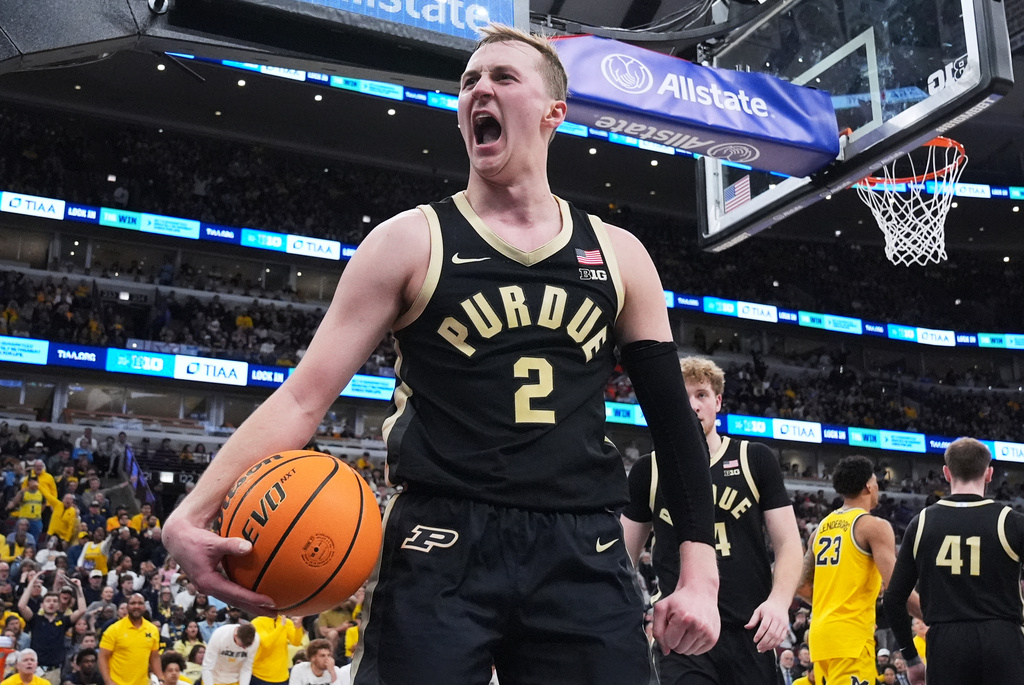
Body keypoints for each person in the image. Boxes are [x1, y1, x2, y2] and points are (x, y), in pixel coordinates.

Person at [163, 22, 720, 685]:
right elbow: (302, 397)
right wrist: (190, 512)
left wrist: (699, 566)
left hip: (582, 543)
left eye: (503, 77)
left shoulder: (620, 253)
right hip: (440, 539)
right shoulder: (409, 241)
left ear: (553, 113)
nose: (478, 89)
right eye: (468, 81)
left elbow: (673, 425)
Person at [621, 356, 802, 684]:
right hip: (683, 634)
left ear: (718, 401)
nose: (692, 405)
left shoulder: (753, 459)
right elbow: (621, 559)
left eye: (701, 395)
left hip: (751, 631)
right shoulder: (649, 470)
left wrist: (778, 602)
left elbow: (789, 543)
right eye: (683, 396)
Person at [884, 437, 1024, 685]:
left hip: (946, 642)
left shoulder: (921, 523)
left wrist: (912, 657)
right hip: (1002, 638)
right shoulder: (1011, 521)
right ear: (989, 474)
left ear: (946, 473)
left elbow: (894, 598)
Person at [796, 456, 917, 685]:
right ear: (868, 486)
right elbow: (897, 588)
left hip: (821, 639)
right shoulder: (873, 526)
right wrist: (932, 617)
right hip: (851, 640)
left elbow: (800, 585)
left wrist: (834, 603)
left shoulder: (819, 530)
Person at [18, 573, 87, 685]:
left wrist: (78, 588)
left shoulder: (63, 621)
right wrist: (31, 583)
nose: (51, 604)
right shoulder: (35, 619)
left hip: (54, 671)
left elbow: (82, 610)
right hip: (35, 670)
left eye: (55, 601)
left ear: (58, 605)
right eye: (48, 601)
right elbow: (21, 606)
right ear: (42, 605)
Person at [97, 594, 163, 685]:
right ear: (127, 607)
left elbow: (154, 657)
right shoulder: (113, 629)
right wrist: (108, 681)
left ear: (144, 607)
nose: (136, 606)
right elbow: (102, 657)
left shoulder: (153, 629)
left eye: (140, 603)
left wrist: (161, 678)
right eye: (133, 603)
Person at [249, 615, 303, 685]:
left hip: (282, 677)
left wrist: (298, 628)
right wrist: (280, 626)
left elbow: (296, 642)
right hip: (260, 676)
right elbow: (266, 643)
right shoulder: (257, 622)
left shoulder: (287, 622)